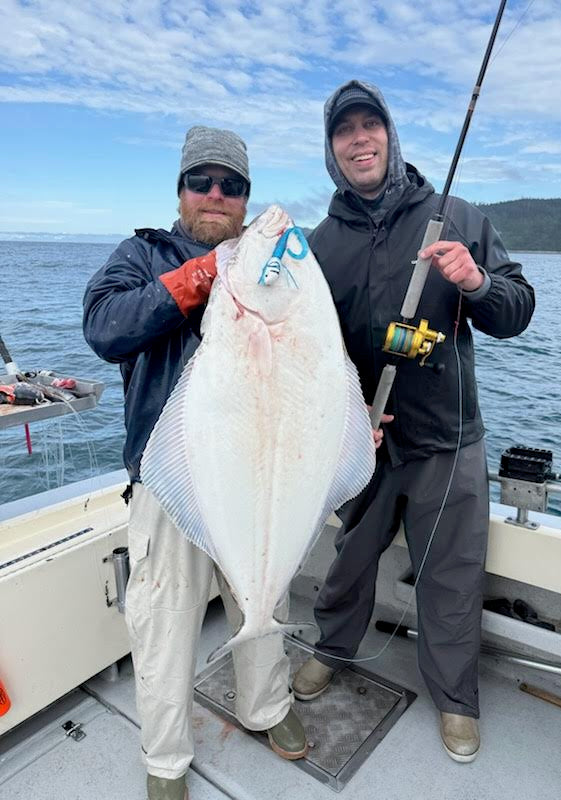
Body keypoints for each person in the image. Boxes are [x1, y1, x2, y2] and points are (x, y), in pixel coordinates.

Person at [292, 81, 535, 763]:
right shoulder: (319, 243)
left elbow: (516, 310)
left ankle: (456, 698)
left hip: (447, 440)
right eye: (345, 131)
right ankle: (332, 648)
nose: (359, 139)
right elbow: (308, 351)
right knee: (347, 563)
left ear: (391, 136)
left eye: (371, 125)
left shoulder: (457, 216)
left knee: (451, 577)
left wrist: (476, 283)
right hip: (362, 443)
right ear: (331, 149)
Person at [83, 126, 307, 800]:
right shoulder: (140, 253)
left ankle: (268, 706)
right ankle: (165, 760)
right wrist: (198, 277)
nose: (216, 194)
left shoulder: (274, 263)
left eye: (231, 185)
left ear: (246, 198)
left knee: (261, 598)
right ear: (180, 191)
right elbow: (105, 327)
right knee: (163, 622)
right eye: (202, 181)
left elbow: (308, 353)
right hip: (169, 477)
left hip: (257, 473)